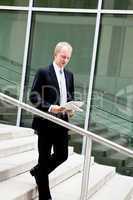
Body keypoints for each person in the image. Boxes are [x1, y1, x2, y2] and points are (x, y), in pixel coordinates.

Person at [29, 41, 74, 200]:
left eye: (68, 57)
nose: (66, 60)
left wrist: (71, 107)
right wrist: (50, 107)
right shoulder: (43, 72)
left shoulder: (69, 75)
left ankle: (38, 172)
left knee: (62, 155)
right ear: (56, 54)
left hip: (62, 122)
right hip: (46, 121)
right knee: (44, 157)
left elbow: (69, 96)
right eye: (63, 56)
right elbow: (33, 96)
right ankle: (45, 196)